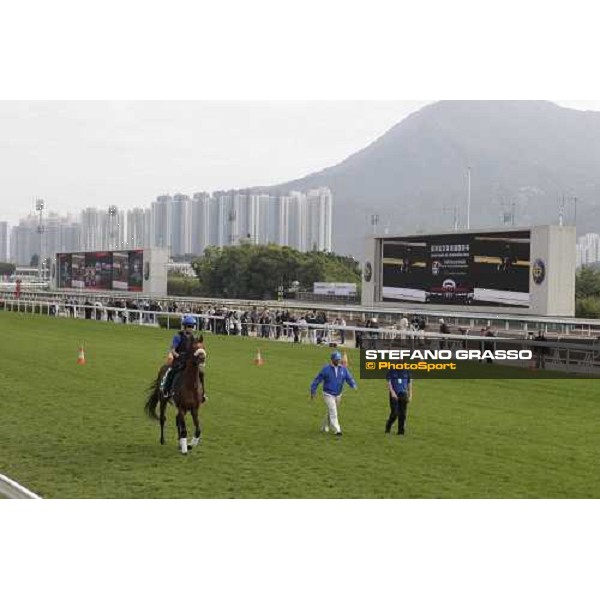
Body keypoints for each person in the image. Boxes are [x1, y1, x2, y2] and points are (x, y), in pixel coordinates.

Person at [310, 351, 358, 436]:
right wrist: (313, 391)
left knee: (331, 410)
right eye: (336, 360)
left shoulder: (343, 369)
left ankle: (324, 426)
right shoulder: (326, 369)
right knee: (333, 411)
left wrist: (353, 384)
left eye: (339, 359)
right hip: (328, 394)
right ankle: (337, 430)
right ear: (332, 360)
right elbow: (317, 380)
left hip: (338, 394)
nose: (338, 361)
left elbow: (348, 377)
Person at [160, 315, 204, 399]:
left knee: (201, 373)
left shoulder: (194, 338)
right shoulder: (178, 337)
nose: (191, 328)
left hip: (189, 361)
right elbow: (172, 349)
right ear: (185, 326)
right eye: (189, 326)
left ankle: (202, 393)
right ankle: (166, 390)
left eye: (192, 326)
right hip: (179, 361)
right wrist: (178, 356)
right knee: (171, 372)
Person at [385, 367, 412, 435]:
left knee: (403, 414)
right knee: (395, 413)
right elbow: (389, 382)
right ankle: (388, 425)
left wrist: (410, 395)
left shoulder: (407, 370)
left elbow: (409, 383)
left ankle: (400, 432)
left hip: (403, 393)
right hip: (394, 393)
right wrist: (392, 392)